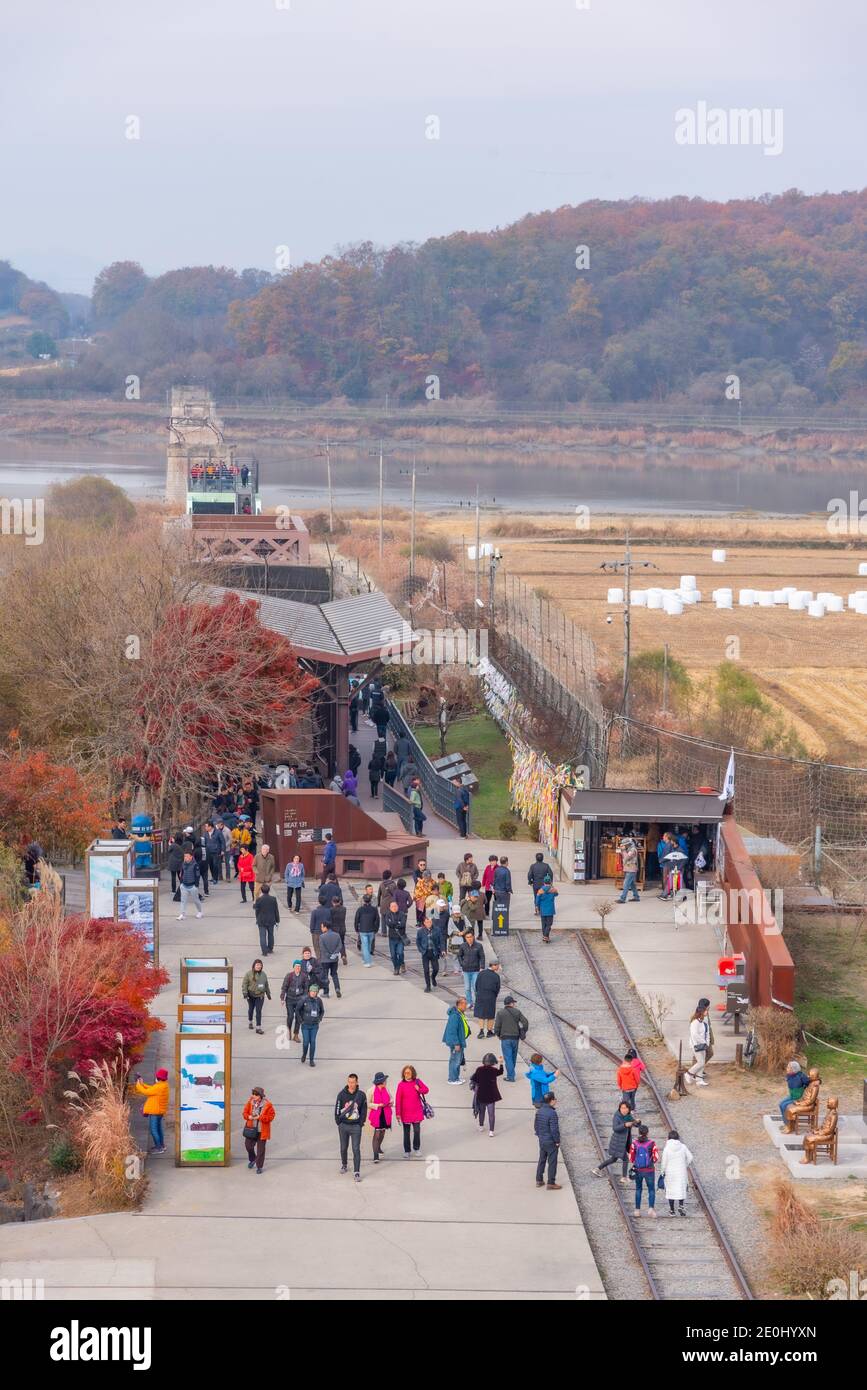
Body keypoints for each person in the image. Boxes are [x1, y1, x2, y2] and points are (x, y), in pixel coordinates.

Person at [593, 1100, 638, 1184]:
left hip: (624, 1141)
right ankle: (624, 1177)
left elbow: (635, 1124)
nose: (623, 1110)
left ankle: (597, 1169)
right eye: (622, 1108)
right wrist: (624, 1125)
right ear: (619, 1108)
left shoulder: (628, 1116)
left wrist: (637, 1122)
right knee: (625, 1159)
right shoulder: (617, 1116)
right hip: (618, 1141)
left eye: (625, 1108)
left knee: (613, 1159)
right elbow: (615, 1128)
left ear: (628, 1109)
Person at [335, 1073, 367, 1182]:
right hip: (343, 1125)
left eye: (353, 1082)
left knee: (356, 1149)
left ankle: (357, 1172)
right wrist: (338, 1122)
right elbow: (337, 1108)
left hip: (356, 1127)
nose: (351, 1084)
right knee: (343, 1147)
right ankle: (344, 1164)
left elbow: (364, 1110)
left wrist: (361, 1123)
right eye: (349, 1082)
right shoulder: (341, 1095)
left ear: (357, 1082)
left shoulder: (361, 1095)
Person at [394, 1064, 430, 1157]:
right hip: (405, 1113)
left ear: (412, 1073)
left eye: (409, 1073)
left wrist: (419, 1089)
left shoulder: (417, 1082)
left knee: (417, 1131)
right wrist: (398, 1113)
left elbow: (426, 1090)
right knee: (406, 1132)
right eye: (405, 1073)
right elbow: (398, 1100)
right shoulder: (401, 1085)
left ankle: (417, 1148)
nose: (407, 1074)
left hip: (416, 1111)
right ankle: (407, 1150)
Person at [133, 1067, 169, 1153]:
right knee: (159, 1129)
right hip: (159, 1111)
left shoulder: (159, 1087)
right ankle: (161, 1145)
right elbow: (151, 1089)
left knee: (153, 1130)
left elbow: (146, 1092)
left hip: (155, 1112)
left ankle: (158, 1148)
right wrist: (143, 1083)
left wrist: (138, 1084)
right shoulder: (163, 1085)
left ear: (158, 1078)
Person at [493, 994, 528, 1082]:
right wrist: (523, 1030)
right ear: (511, 1003)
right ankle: (511, 1073)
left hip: (505, 1038)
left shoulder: (500, 1013)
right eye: (513, 1003)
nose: (514, 1004)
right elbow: (525, 1022)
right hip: (515, 1038)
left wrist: (497, 1034)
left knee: (508, 1057)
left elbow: (497, 1026)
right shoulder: (517, 1012)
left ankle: (511, 1076)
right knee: (513, 1057)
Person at [660, 1129, 693, 1217]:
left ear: (669, 1138)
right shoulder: (683, 1146)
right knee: (681, 1189)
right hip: (681, 1172)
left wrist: (662, 1171)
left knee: (671, 1191)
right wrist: (684, 1165)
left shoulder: (667, 1148)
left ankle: (672, 1210)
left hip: (670, 1173)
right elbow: (690, 1157)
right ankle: (681, 1206)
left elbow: (664, 1162)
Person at [242, 1086, 275, 1174]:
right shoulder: (250, 1102)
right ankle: (253, 1159)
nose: (254, 1095)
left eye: (256, 1094)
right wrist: (249, 1117)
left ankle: (259, 1166)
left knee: (261, 1150)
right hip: (251, 1129)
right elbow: (244, 1113)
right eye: (253, 1093)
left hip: (262, 1131)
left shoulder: (267, 1105)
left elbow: (271, 1116)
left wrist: (260, 1117)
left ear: (260, 1096)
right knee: (248, 1146)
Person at [629, 1124, 659, 1218]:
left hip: (638, 1170)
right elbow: (656, 1157)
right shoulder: (652, 1143)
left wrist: (637, 1163)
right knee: (651, 1190)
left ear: (639, 1132)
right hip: (649, 1170)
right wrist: (651, 1162)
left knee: (638, 1189)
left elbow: (631, 1157)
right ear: (647, 1133)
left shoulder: (634, 1143)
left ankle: (637, 1211)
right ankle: (650, 1208)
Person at [471, 1053, 504, 1136]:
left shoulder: (479, 1069)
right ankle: (491, 1131)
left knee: (482, 1112)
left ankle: (481, 1126)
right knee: (491, 1114)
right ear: (493, 1062)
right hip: (491, 1095)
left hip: (481, 1094)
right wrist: (501, 1063)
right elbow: (501, 1072)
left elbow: (474, 1079)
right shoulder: (494, 1070)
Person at [534, 1093, 562, 1189]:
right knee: (552, 1162)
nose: (556, 1101)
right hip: (551, 1141)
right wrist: (557, 1141)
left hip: (542, 1140)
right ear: (551, 1101)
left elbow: (536, 1126)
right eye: (555, 1099)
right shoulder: (552, 1113)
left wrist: (540, 1136)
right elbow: (554, 1130)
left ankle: (539, 1180)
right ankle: (551, 1182)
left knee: (542, 1160)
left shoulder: (539, 1111)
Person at [443, 997, 470, 1083]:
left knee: (458, 1060)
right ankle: (452, 1079)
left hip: (460, 1041)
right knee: (455, 1060)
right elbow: (452, 1031)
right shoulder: (455, 1016)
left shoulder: (460, 1013)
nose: (466, 1006)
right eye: (465, 1004)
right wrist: (456, 1043)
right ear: (460, 1005)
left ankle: (456, 1077)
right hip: (456, 1042)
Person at [367, 1072, 392, 1162]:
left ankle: (378, 1147)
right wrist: (378, 1105)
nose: (386, 1082)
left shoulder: (386, 1089)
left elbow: (391, 1098)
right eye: (385, 1080)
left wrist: (391, 1102)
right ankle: (375, 1155)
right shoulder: (371, 1090)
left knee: (382, 1133)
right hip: (377, 1115)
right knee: (377, 1134)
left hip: (385, 1114)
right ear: (381, 1081)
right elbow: (368, 1103)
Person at [685, 1000, 711, 1086]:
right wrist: (703, 1042)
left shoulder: (704, 1021)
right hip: (696, 1045)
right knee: (701, 1062)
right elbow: (694, 1035)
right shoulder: (694, 1022)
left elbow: (707, 1032)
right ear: (701, 1012)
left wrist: (707, 1042)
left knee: (702, 1062)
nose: (707, 1011)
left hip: (703, 1045)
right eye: (706, 1010)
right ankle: (688, 1073)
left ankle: (699, 1080)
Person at [280, 960, 307, 1042]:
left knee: (298, 1017)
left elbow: (306, 988)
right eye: (296, 966)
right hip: (290, 999)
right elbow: (284, 987)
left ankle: (296, 1034)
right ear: (293, 967)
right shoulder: (289, 976)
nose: (298, 968)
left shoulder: (303, 976)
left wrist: (305, 999)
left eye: (299, 966)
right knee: (290, 1016)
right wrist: (282, 998)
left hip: (299, 999)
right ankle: (288, 1030)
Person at [473, 960, 501, 1038]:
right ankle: (489, 1031)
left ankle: (481, 1031)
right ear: (493, 965)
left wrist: (478, 993)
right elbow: (497, 988)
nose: (498, 967)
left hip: (480, 996)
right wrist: (494, 995)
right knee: (490, 1015)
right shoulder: (496, 976)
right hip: (490, 997)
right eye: (497, 965)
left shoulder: (481, 973)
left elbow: (476, 985)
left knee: (481, 1015)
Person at [242, 959, 271, 1033]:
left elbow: (266, 984)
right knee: (251, 1009)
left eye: (260, 965)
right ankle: (250, 1022)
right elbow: (244, 984)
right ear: (254, 965)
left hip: (260, 995)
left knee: (258, 1011)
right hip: (250, 995)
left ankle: (258, 1027)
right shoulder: (248, 974)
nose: (258, 966)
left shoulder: (263, 974)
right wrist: (245, 993)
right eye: (257, 965)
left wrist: (268, 993)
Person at [416, 913, 444, 991]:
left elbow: (441, 940)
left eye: (430, 922)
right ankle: (428, 986)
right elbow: (418, 941)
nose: (429, 924)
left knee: (436, 969)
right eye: (427, 922)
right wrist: (421, 950)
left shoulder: (437, 929)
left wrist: (442, 950)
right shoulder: (420, 931)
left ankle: (433, 977)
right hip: (425, 952)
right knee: (426, 970)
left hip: (434, 952)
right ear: (424, 923)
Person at [457, 930, 484, 1009]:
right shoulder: (463, 946)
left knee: (475, 988)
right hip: (466, 970)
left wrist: (482, 967)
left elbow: (482, 956)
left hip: (475, 970)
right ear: (465, 938)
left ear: (473, 937)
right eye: (467, 937)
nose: (469, 939)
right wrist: (462, 964)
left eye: (470, 937)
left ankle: (477, 1003)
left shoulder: (479, 946)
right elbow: (459, 956)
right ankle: (469, 1002)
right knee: (467, 988)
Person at [299, 984, 325, 1065]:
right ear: (309, 991)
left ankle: (311, 1060)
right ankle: (304, 1054)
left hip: (314, 1025)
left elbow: (322, 1011)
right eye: (312, 991)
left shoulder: (319, 1000)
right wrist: (301, 1020)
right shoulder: (304, 999)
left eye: (315, 991)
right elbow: (297, 1010)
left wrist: (319, 1019)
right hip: (305, 1025)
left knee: (313, 1042)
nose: (313, 993)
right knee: (306, 1042)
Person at [318, 921, 343, 997]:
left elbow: (322, 949)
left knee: (325, 976)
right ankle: (337, 988)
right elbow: (340, 946)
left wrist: (329, 955)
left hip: (325, 960)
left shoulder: (322, 937)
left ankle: (326, 992)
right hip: (334, 960)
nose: (321, 928)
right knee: (334, 974)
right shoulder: (337, 935)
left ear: (325, 927)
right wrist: (334, 954)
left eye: (322, 927)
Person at [253, 883, 280, 956]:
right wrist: (277, 920)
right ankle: (270, 949)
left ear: (261, 891)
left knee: (262, 936)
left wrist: (257, 918)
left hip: (261, 920)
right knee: (271, 935)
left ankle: (264, 951)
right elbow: (276, 910)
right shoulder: (273, 899)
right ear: (269, 890)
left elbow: (255, 908)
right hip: (271, 920)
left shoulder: (259, 899)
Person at [354, 888, 379, 966]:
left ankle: (367, 962)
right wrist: (376, 929)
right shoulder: (374, 909)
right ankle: (365, 959)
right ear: (370, 901)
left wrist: (356, 929)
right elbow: (377, 920)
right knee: (368, 945)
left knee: (365, 946)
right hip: (371, 930)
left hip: (363, 930)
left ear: (364, 901)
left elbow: (356, 920)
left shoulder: (360, 909)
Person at [177, 851, 203, 920]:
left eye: (187, 856)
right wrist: (181, 884)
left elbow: (197, 876)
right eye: (185, 856)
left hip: (193, 886)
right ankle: (182, 914)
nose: (185, 858)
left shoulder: (195, 865)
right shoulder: (183, 864)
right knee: (183, 901)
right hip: (184, 886)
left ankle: (200, 912)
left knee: (196, 900)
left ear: (191, 857)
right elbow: (181, 874)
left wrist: (196, 886)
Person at [385, 900, 408, 976]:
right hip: (392, 938)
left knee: (400, 953)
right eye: (392, 907)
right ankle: (396, 967)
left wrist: (394, 923)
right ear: (390, 908)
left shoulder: (402, 914)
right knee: (393, 955)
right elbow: (388, 924)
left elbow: (403, 924)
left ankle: (400, 964)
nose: (394, 908)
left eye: (395, 906)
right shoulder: (388, 914)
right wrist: (397, 923)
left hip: (400, 937)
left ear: (398, 907)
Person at [617, 836, 641, 903]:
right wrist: (621, 851)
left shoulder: (633, 850)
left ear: (628, 844)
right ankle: (636, 897)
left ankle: (622, 898)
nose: (624, 846)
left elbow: (627, 857)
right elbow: (624, 857)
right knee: (632, 884)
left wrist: (623, 850)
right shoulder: (628, 849)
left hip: (631, 869)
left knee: (626, 883)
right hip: (628, 868)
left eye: (624, 845)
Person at [330, 895, 348, 965]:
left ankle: (334, 958)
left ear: (332, 902)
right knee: (342, 943)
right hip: (342, 928)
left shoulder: (331, 910)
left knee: (334, 944)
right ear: (340, 901)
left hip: (334, 929)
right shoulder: (344, 909)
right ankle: (343, 955)